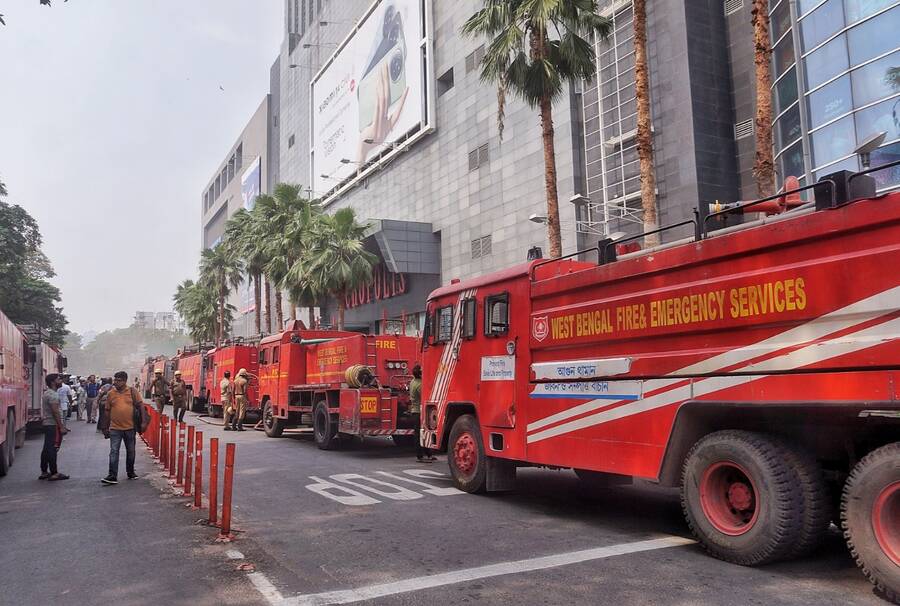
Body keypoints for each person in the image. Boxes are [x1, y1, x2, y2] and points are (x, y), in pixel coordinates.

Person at [100, 371, 142, 484]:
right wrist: (104, 427)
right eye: (115, 380)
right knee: (114, 451)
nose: (115, 382)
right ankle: (112, 475)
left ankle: (131, 472)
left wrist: (143, 423)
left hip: (130, 428)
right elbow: (107, 411)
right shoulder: (111, 394)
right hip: (115, 429)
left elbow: (140, 406)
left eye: (118, 380)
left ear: (124, 381)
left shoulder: (133, 392)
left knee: (131, 451)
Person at [39, 373, 69, 481]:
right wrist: (61, 426)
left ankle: (44, 471)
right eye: (58, 379)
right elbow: (55, 412)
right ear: (53, 382)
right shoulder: (53, 395)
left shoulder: (48, 393)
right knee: (53, 448)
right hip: (53, 425)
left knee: (47, 448)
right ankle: (54, 472)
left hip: (48, 424)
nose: (60, 381)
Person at [408, 365, 435, 463]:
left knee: (419, 433)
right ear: (420, 373)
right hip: (420, 412)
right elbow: (426, 396)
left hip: (414, 411)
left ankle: (427, 454)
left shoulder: (412, 382)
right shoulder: (420, 384)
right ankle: (423, 455)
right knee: (423, 434)